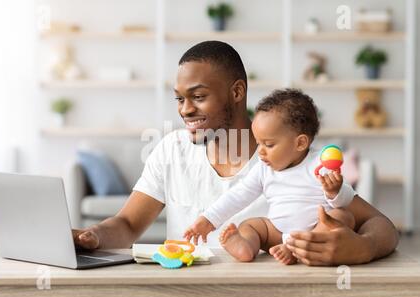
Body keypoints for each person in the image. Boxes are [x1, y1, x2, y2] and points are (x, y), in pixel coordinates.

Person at [73, 40, 399, 266]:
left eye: (198, 97)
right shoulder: (170, 150)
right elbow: (128, 224)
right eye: (180, 99)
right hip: (186, 295)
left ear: (237, 92)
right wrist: (93, 236)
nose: (185, 110)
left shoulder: (292, 159)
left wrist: (364, 248)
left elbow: (382, 225)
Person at [184, 89, 356, 264]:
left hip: (314, 234)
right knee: (251, 225)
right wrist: (208, 220)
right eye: (258, 143)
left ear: (300, 143)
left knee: (342, 216)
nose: (260, 151)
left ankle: (294, 249)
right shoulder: (264, 169)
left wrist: (334, 191)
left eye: (269, 144)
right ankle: (246, 248)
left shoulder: (319, 164)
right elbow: (238, 195)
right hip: (277, 233)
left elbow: (346, 201)